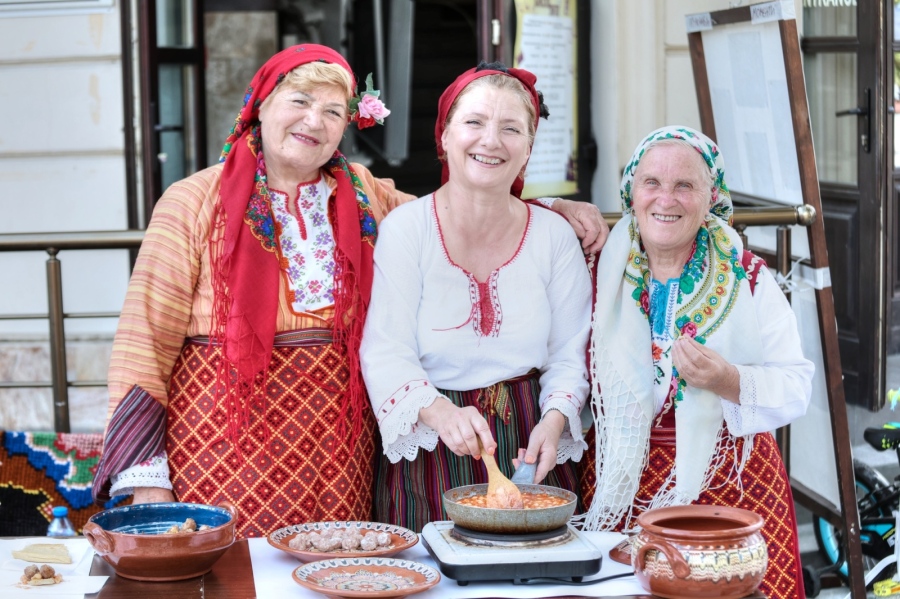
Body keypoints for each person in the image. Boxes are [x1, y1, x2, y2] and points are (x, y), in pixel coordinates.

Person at [91, 45, 606, 538]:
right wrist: (148, 482)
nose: (313, 121)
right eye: (299, 101)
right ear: (260, 105)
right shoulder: (191, 203)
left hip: (336, 461)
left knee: (334, 571)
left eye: (333, 111)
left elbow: (467, 205)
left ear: (347, 125)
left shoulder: (365, 195)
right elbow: (143, 346)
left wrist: (555, 210)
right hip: (223, 448)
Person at [576, 126, 813, 599]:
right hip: (621, 481)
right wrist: (563, 206)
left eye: (685, 185)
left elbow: (796, 385)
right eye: (651, 183)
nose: (666, 198)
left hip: (731, 488)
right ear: (630, 192)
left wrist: (728, 380)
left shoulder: (747, 276)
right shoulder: (596, 270)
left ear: (711, 197)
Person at [360, 62, 592, 533]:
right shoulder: (407, 231)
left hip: (533, 443)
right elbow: (386, 348)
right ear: (444, 136)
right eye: (474, 122)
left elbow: (570, 353)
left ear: (527, 150)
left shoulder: (554, 236)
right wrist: (438, 411)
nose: (491, 141)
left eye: (511, 129)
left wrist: (555, 422)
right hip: (429, 441)